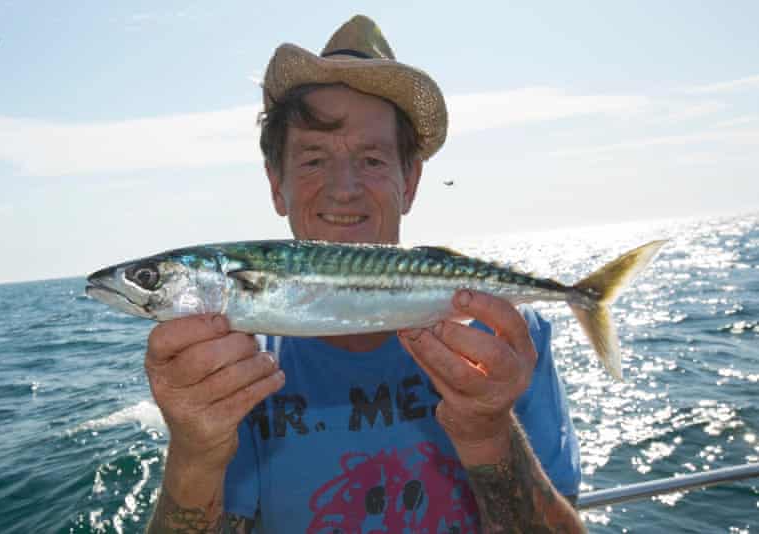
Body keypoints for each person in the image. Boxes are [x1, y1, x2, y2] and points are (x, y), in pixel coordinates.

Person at [143, 15, 585, 533]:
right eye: (312, 160)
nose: (343, 188)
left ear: (411, 180)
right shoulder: (236, 369)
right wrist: (195, 457)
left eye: (372, 159)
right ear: (276, 184)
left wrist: (491, 436)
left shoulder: (507, 340)